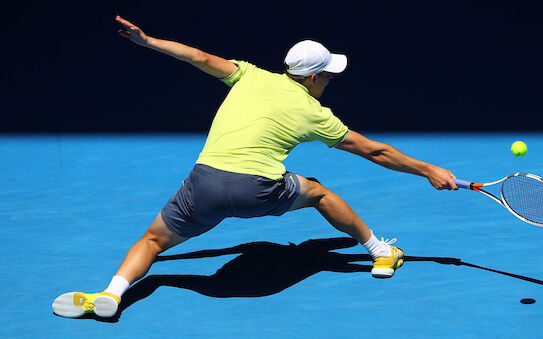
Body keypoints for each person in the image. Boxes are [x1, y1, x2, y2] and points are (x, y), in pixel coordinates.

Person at [52, 15, 458, 319]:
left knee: (154, 242)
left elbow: (197, 56)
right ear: (314, 78)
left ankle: (112, 292)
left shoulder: (248, 76)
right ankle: (380, 251)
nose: (331, 80)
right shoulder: (317, 114)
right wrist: (428, 170)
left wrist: (147, 41)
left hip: (202, 186)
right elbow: (375, 152)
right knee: (317, 191)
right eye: (329, 74)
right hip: (256, 189)